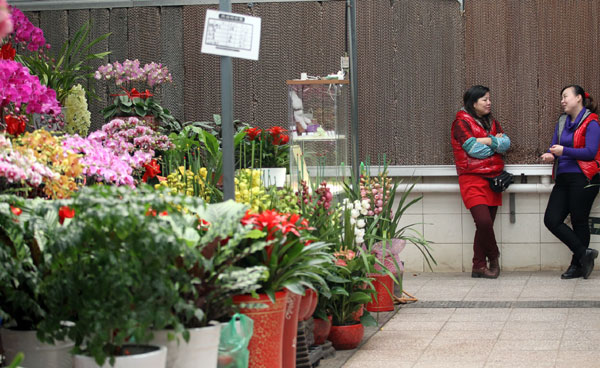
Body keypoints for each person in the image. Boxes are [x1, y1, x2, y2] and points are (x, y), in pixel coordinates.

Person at [451, 85, 511, 278]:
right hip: (471, 178)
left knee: (485, 226)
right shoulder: (461, 123)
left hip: (493, 178)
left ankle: (478, 265)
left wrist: (485, 140)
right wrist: (495, 142)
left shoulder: (491, 121)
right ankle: (493, 257)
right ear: (473, 102)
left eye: (489, 99)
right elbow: (473, 150)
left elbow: (506, 145)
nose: (489, 102)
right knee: (484, 222)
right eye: (485, 99)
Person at [541, 85, 600, 279]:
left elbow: (591, 152)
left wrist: (563, 151)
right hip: (564, 177)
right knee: (551, 219)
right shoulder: (561, 121)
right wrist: (551, 154)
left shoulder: (592, 122)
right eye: (562, 97)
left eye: (565, 96)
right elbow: (554, 146)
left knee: (579, 220)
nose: (562, 101)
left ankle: (577, 265)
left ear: (579, 98)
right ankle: (584, 254)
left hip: (584, 176)